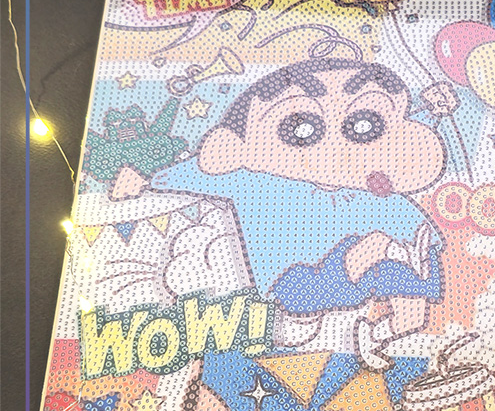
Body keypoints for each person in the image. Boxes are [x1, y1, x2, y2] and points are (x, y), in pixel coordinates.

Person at [112, 56, 447, 369]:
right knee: (375, 244)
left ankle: (375, 336)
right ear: (236, 146)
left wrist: (434, 110)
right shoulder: (252, 179)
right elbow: (200, 171)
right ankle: (391, 253)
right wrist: (144, 181)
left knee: (412, 313)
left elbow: (408, 156)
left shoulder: (376, 190)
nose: (338, 148)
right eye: (300, 129)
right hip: (301, 283)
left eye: (364, 125)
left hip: (384, 262)